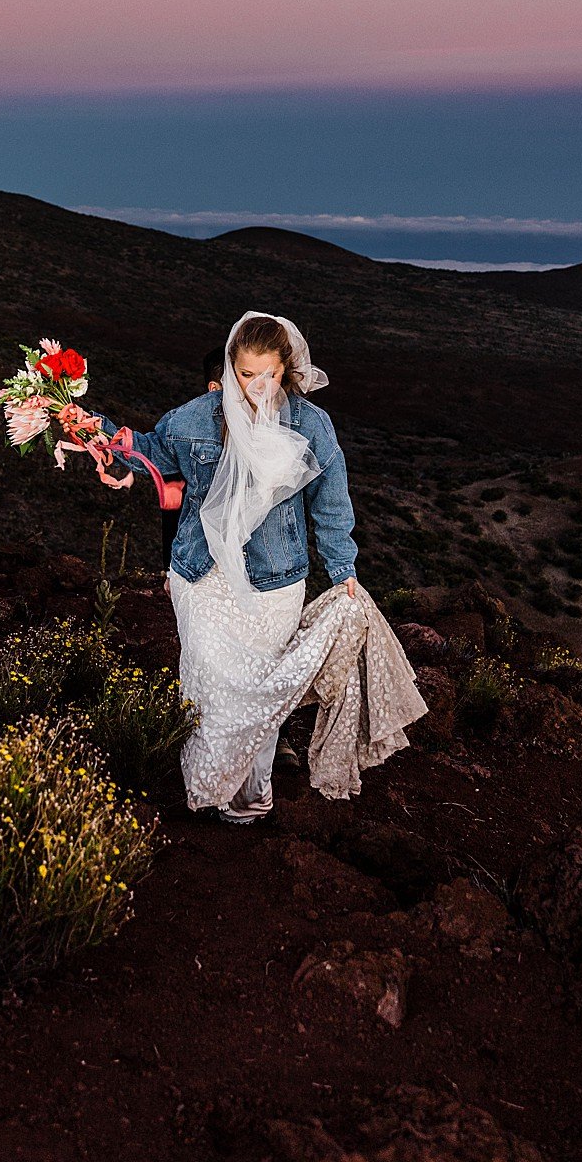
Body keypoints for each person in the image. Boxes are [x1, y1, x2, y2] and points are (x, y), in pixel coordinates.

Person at [135, 312, 360, 823]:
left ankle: (250, 796)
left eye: (270, 374)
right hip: (201, 576)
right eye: (245, 373)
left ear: (288, 370)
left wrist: (342, 568)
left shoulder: (310, 424)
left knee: (257, 691)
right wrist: (99, 435)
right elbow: (150, 451)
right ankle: (212, 783)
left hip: (275, 583)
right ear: (230, 367)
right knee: (211, 687)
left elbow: (330, 502)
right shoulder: (195, 417)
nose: (257, 386)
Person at [158, 344, 227, 553]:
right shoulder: (184, 430)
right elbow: (173, 510)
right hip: (197, 553)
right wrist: (170, 567)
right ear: (214, 388)